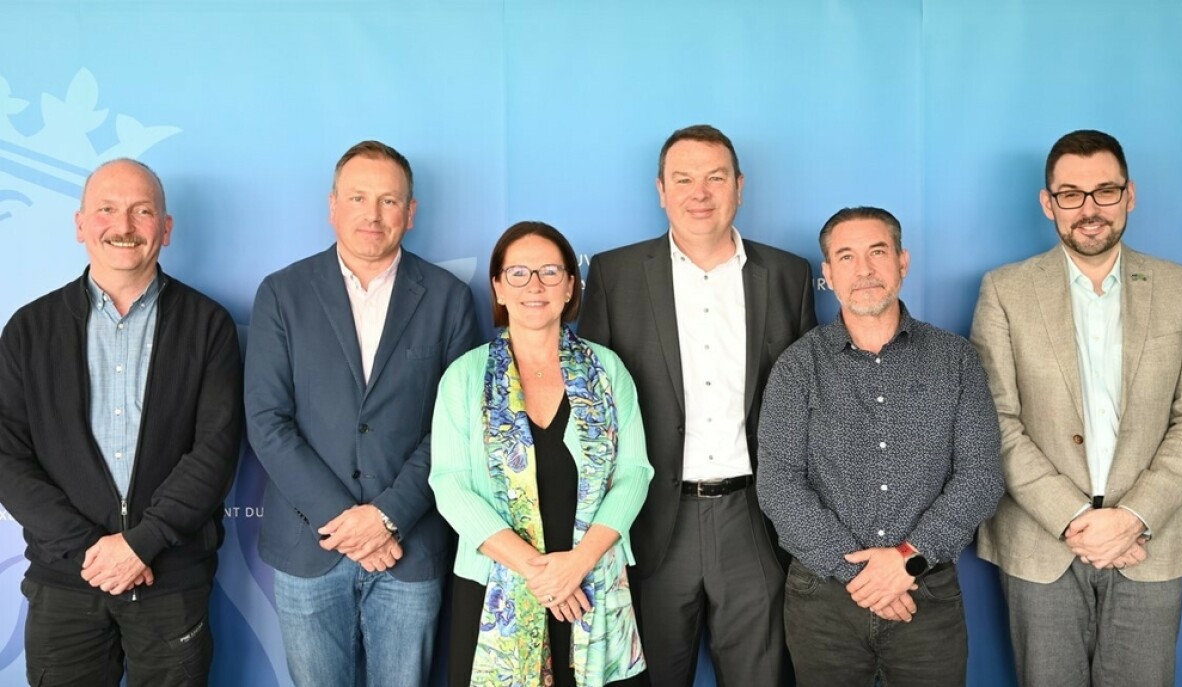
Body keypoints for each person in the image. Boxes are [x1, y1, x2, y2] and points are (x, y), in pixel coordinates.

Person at [971, 129, 1182, 687]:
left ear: (1129, 195)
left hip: (1150, 543)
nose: (1089, 209)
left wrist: (1134, 518)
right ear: (1049, 203)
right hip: (1041, 544)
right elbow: (995, 420)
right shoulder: (1004, 290)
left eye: (1105, 191)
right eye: (1071, 194)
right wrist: (1075, 519)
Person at [578, 124, 816, 686]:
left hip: (756, 518)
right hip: (650, 521)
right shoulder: (614, 275)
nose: (700, 193)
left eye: (715, 178)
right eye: (683, 179)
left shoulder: (789, 274)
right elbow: (592, 413)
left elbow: (810, 405)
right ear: (661, 190)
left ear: (740, 186)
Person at [244, 140, 480, 686]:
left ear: (410, 212)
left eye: (388, 201)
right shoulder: (282, 293)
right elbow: (267, 420)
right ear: (333, 205)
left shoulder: (447, 297)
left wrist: (386, 517)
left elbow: (456, 427)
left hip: (409, 546)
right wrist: (347, 524)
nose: (372, 214)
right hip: (310, 547)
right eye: (357, 197)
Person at [0, 159, 243, 686]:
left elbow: (216, 451)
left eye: (142, 211)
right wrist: (90, 550)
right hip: (66, 582)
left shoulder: (209, 325)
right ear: (80, 225)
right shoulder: (28, 330)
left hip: (170, 582)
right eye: (106, 210)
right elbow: (7, 458)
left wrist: (142, 543)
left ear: (166, 228)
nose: (124, 226)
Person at [756, 206, 1003, 687]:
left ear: (902, 262)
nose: (864, 269)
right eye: (846, 257)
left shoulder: (955, 359)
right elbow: (779, 485)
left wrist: (909, 558)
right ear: (828, 273)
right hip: (823, 603)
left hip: (926, 595)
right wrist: (863, 575)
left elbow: (980, 476)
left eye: (877, 252)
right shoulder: (797, 367)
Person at [430, 221, 653, 687]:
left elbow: (634, 472)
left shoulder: (608, 370)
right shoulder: (463, 377)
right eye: (518, 273)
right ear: (498, 286)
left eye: (550, 272)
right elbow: (450, 485)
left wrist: (576, 565)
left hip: (594, 587)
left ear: (571, 285)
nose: (535, 285)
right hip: (496, 588)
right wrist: (543, 576)